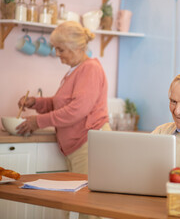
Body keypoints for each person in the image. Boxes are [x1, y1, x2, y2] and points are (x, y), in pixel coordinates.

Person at [16, 21, 110, 175]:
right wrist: (36, 102)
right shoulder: (76, 70)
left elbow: (76, 110)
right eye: (55, 49)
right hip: (80, 145)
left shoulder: (90, 69)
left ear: (77, 48)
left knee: (84, 198)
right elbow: (61, 104)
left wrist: (38, 121)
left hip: (89, 145)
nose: (57, 54)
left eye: (61, 49)